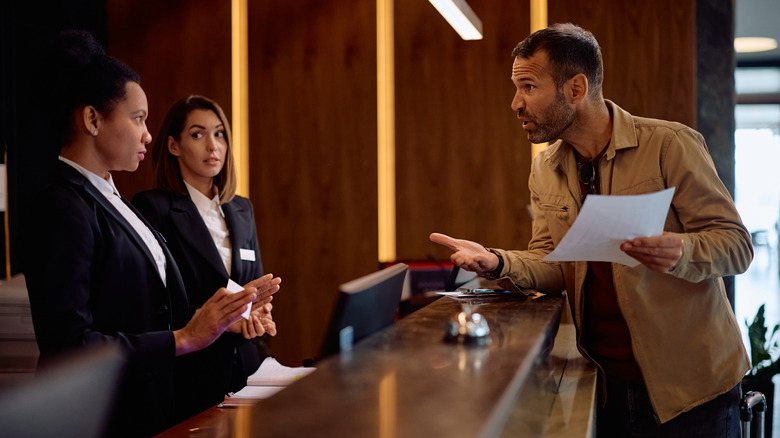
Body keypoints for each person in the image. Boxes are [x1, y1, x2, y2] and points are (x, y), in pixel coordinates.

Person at [430, 23, 752, 437]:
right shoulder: (545, 169)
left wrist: (681, 250)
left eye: (528, 87)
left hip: (693, 391)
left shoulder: (671, 145)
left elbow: (736, 245)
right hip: (607, 386)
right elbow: (553, 262)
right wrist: (496, 261)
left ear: (576, 89)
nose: (515, 103)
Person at [21, 30, 280, 437]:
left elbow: (146, 312)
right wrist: (182, 338)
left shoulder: (112, 199)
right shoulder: (61, 206)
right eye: (138, 118)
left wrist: (220, 320)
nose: (147, 134)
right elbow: (70, 345)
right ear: (92, 119)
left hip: (149, 408)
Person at [132, 95, 277, 419]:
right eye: (198, 135)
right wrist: (227, 320)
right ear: (173, 145)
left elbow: (252, 287)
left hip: (247, 367)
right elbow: (157, 309)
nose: (213, 145)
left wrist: (259, 311)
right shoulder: (152, 208)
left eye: (219, 134)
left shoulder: (242, 208)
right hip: (191, 375)